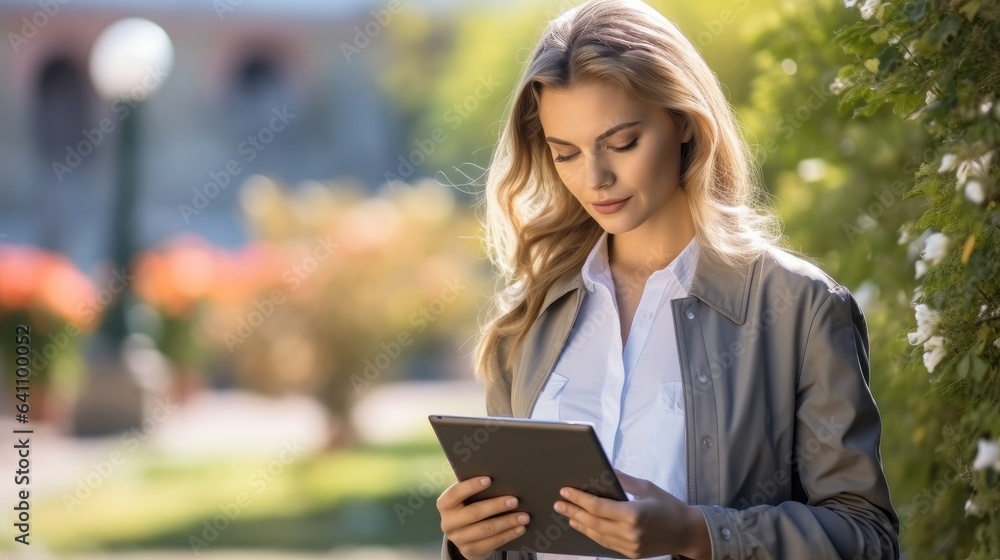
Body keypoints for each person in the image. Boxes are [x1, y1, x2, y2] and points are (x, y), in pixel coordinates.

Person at [436, 0, 900, 558]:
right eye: (566, 153)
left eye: (622, 142)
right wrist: (470, 541)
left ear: (683, 119)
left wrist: (695, 533)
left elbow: (868, 538)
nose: (596, 178)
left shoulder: (798, 308)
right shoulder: (531, 317)